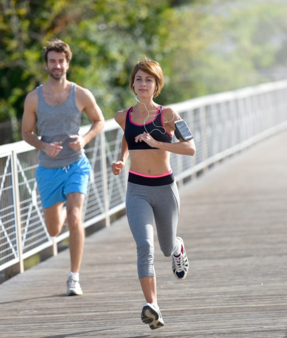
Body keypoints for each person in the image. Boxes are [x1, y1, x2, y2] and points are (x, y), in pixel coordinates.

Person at [111, 58, 196, 329]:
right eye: (138, 79)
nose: (143, 84)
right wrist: (122, 159)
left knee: (165, 247)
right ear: (132, 84)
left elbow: (190, 148)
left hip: (164, 189)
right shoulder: (122, 116)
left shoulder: (168, 115)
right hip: (136, 189)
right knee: (144, 246)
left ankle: (177, 248)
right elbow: (127, 135)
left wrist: (156, 142)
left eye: (149, 80)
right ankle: (153, 306)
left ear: (156, 85)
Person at [22, 38, 105, 296]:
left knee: (75, 216)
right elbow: (26, 132)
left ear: (68, 63)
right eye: (52, 61)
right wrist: (43, 146)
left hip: (76, 165)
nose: (57, 65)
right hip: (48, 169)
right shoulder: (34, 98)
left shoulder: (81, 94)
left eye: (61, 61)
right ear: (47, 65)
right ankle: (62, 211)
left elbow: (99, 121)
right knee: (54, 229)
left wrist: (84, 139)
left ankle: (74, 277)